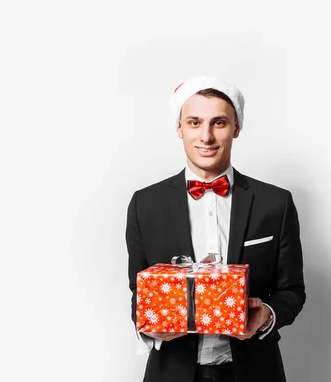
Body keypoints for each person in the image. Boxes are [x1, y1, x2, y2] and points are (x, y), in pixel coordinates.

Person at [126, 75, 306, 382]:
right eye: (195, 122)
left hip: (254, 373)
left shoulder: (276, 203)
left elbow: (292, 292)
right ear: (179, 128)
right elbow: (138, 291)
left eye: (219, 123)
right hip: (171, 373)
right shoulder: (145, 204)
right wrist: (150, 327)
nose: (206, 136)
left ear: (236, 128)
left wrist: (267, 315)